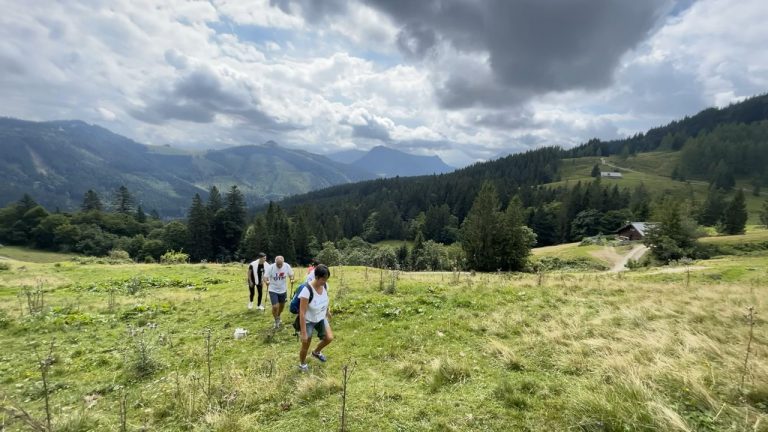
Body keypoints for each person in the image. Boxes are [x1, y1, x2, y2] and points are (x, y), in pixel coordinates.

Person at [298, 264, 333, 372]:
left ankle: (316, 352)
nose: (325, 282)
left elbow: (325, 299)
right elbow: (302, 312)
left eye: (326, 279)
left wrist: (327, 311)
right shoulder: (307, 290)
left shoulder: (325, 286)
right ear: (316, 277)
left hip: (321, 318)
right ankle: (302, 364)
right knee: (305, 344)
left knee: (329, 338)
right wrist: (303, 332)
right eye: (323, 279)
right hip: (308, 320)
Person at [265, 255, 294, 328]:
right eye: (278, 264)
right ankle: (276, 320)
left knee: (282, 306)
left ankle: (278, 316)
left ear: (283, 262)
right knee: (275, 306)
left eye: (281, 264)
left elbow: (291, 275)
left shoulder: (287, 266)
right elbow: (265, 277)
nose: (280, 266)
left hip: (283, 290)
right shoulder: (271, 267)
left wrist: (291, 279)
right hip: (273, 289)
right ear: (275, 262)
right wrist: (267, 282)